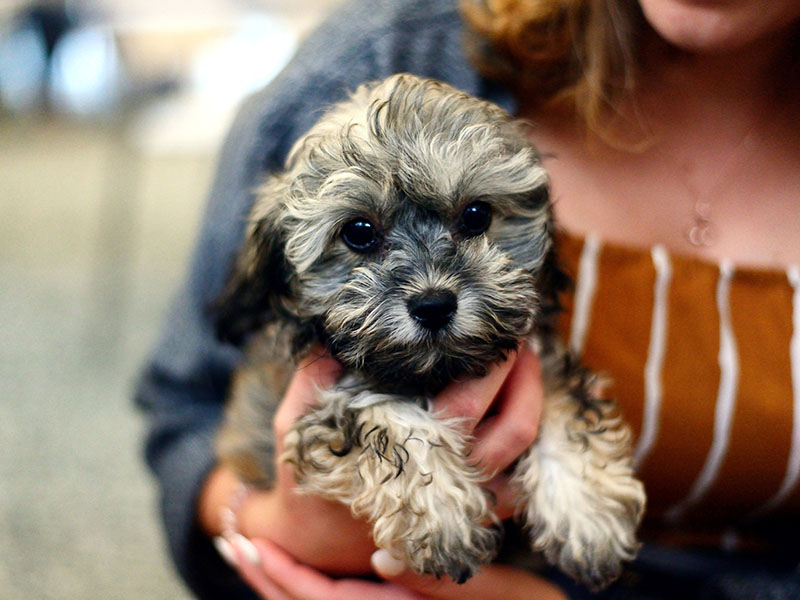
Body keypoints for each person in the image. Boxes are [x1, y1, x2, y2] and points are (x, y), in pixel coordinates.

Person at [134, 0, 800, 598]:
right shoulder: (375, 51)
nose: (430, 285)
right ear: (278, 264)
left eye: (473, 219)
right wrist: (263, 527)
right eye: (363, 235)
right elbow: (183, 408)